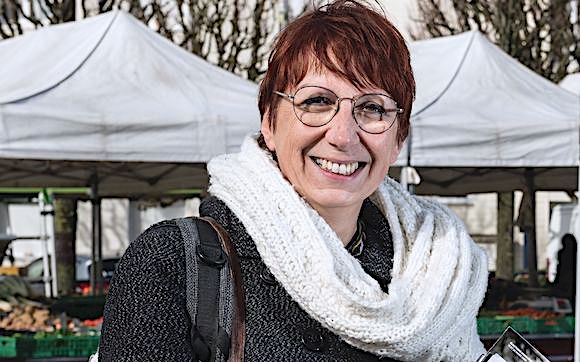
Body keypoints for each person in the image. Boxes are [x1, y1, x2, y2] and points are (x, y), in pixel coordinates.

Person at [97, 1, 489, 361]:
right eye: (317, 102)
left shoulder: (439, 277)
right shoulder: (172, 265)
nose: (343, 135)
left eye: (371, 108)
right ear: (269, 122)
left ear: (398, 137)